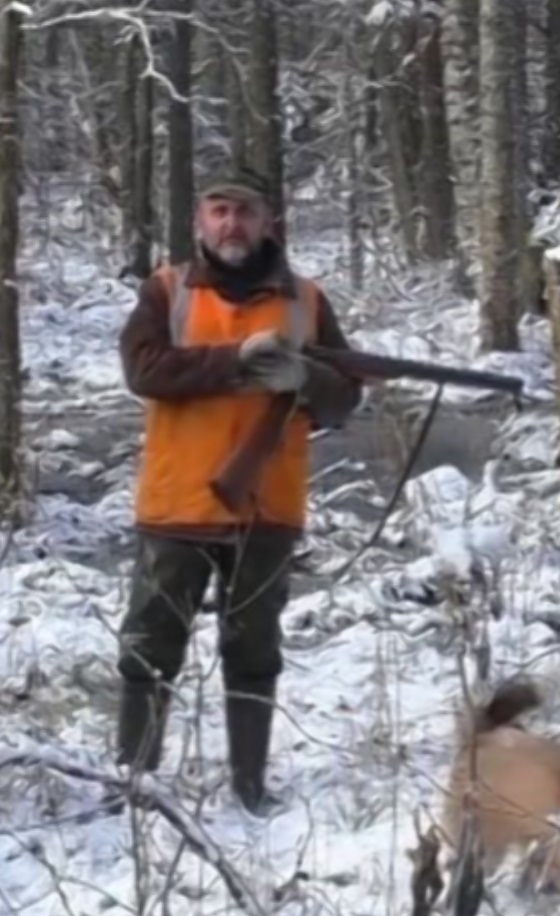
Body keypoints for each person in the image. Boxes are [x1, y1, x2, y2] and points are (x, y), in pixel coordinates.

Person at [110, 167, 363, 815]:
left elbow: (343, 398)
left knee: (254, 651)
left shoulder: (307, 299)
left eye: (245, 212)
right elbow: (146, 371)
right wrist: (239, 361)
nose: (232, 224)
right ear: (199, 220)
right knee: (149, 645)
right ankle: (135, 782)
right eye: (220, 210)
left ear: (268, 221)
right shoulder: (166, 290)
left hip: (268, 506)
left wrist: (305, 374)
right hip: (178, 504)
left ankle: (249, 786)